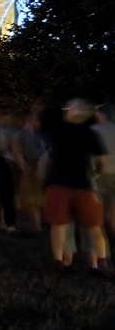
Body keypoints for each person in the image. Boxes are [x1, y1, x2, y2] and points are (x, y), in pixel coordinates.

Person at [42, 98, 108, 273]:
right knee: (93, 226)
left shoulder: (57, 130)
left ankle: (58, 261)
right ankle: (101, 262)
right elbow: (102, 163)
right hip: (83, 184)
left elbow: (49, 152)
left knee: (59, 224)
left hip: (58, 183)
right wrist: (95, 175)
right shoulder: (91, 134)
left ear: (71, 112)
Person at [92, 104, 115, 240]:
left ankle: (101, 239)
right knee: (112, 208)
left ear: (100, 115)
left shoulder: (94, 130)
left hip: (99, 173)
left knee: (98, 208)